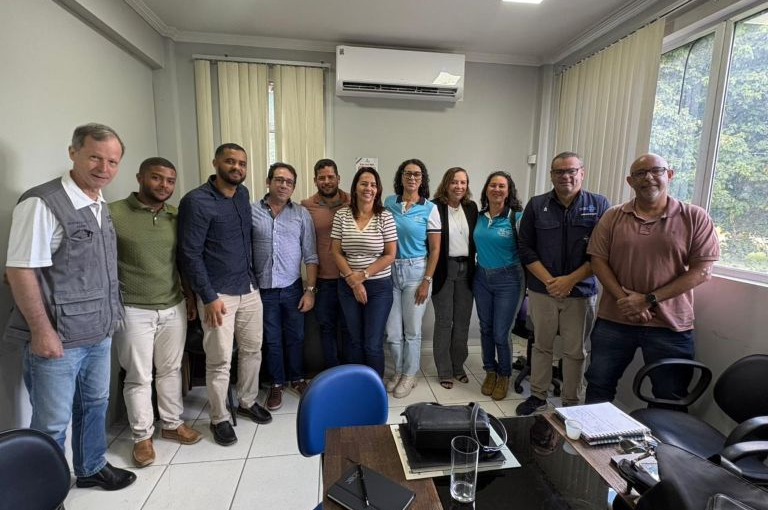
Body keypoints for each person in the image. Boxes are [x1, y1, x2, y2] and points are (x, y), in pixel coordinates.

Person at [4, 123, 136, 490]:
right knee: (51, 421)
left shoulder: (98, 202)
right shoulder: (41, 202)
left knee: (94, 404)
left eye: (112, 161)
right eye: (95, 157)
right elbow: (20, 270)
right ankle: (42, 490)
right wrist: (42, 331)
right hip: (57, 337)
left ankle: (91, 467)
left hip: (98, 330)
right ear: (73, 152)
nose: (104, 168)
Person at [584, 153, 719, 404]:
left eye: (656, 171)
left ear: (669, 174)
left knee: (670, 395)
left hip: (670, 326)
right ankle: (593, 441)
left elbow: (702, 271)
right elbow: (598, 261)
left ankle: (666, 445)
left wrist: (648, 300)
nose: (648, 178)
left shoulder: (694, 217)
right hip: (615, 320)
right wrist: (626, 301)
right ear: (630, 181)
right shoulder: (613, 217)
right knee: (598, 385)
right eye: (640, 174)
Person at [177, 143, 271, 447]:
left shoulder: (242, 195)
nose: (237, 168)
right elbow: (189, 254)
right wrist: (207, 296)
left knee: (253, 350)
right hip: (218, 294)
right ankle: (219, 418)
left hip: (248, 287)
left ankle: (246, 401)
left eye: (242, 163)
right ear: (216, 162)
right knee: (218, 361)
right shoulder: (196, 201)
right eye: (230, 161)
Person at [110, 157, 203, 467]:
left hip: (173, 304)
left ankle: (173, 424)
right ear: (140, 177)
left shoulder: (175, 216)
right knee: (138, 376)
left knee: (170, 369)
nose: (164, 186)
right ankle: (141, 437)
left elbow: (183, 261)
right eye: (157, 178)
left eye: (170, 181)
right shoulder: (113, 214)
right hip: (133, 309)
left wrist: (189, 296)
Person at [515, 152, 610, 415]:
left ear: (582, 172)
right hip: (542, 291)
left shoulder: (599, 205)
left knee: (575, 351)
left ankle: (571, 402)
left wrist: (569, 280)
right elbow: (525, 248)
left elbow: (602, 252)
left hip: (580, 292)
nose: (565, 176)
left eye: (571, 171)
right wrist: (550, 281)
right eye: (559, 172)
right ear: (551, 175)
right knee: (541, 345)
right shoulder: (536, 205)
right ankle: (538, 396)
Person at [253, 162, 318, 411]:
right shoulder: (251, 212)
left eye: (289, 182)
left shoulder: (301, 214)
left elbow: (311, 255)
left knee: (296, 337)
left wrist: (310, 290)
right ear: (268, 181)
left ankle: (297, 378)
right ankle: (277, 383)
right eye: (279, 180)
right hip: (262, 290)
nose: (283, 185)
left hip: (292, 288)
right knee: (271, 340)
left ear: (293, 187)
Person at [331, 167, 397, 377]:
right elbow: (336, 251)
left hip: (378, 287)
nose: (368, 188)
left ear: (378, 190)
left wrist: (364, 275)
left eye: (373, 184)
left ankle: (374, 388)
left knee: (372, 343)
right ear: (355, 187)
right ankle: (357, 384)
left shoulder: (385, 216)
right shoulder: (342, 214)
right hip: (348, 285)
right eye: (364, 183)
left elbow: (390, 255)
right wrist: (353, 280)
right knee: (354, 340)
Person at [384, 159, 441, 398]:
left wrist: (426, 280)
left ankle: (410, 374)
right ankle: (398, 371)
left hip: (416, 272)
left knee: (413, 330)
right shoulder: (389, 202)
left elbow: (435, 249)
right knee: (393, 331)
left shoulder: (429, 208)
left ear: (422, 179)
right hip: (389, 271)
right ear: (401, 177)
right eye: (408, 173)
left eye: (417, 174)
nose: (412, 178)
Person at [473, 171, 525, 401]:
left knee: (500, 333)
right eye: (492, 185)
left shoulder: (516, 217)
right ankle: (490, 371)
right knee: (485, 328)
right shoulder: (479, 216)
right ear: (486, 189)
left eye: (501, 186)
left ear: (508, 190)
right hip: (481, 277)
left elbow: (528, 250)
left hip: (509, 280)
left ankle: (504, 374)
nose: (496, 189)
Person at [430, 167, 478, 390]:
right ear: (446, 184)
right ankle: (445, 371)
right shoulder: (435, 207)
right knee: (444, 322)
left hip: (466, 270)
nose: (459, 186)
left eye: (463, 182)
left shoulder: (471, 207)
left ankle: (458, 367)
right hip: (444, 270)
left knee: (462, 323)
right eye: (454, 182)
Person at [301, 159, 351, 368]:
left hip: (349, 278)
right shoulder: (306, 206)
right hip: (324, 280)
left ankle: (351, 372)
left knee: (350, 328)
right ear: (315, 180)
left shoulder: (353, 200)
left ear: (338, 178)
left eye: (331, 177)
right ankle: (333, 373)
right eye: (322, 178)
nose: (327, 181)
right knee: (327, 328)